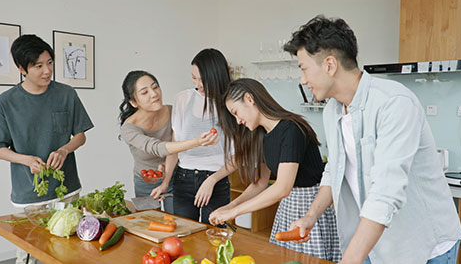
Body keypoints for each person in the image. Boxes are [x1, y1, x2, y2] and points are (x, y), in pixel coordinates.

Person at [283, 15, 461, 264]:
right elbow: (334, 170)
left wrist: (349, 259)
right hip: (373, 242)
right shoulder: (332, 111)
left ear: (329, 65)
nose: (303, 80)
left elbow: (385, 194)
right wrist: (310, 217)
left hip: (423, 246)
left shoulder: (393, 103)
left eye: (303, 68)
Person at [0, 34, 93, 264]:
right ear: (22, 68)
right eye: (39, 66)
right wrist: (26, 160)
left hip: (68, 190)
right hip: (29, 196)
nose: (47, 71)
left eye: (50, 63)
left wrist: (64, 150)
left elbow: (80, 136)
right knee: (30, 253)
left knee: (70, 250)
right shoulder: (6, 102)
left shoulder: (66, 94)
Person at [208, 78, 341, 262]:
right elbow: (260, 184)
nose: (238, 121)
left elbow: (282, 188)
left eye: (236, 112)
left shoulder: (291, 129)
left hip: (310, 208)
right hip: (287, 208)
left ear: (249, 99)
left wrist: (233, 213)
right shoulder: (262, 135)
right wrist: (231, 206)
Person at [118, 70, 218, 213]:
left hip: (175, 176)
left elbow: (175, 148)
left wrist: (166, 180)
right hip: (146, 182)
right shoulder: (129, 128)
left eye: (155, 87)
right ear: (133, 102)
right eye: (144, 92)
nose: (154, 94)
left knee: (176, 221)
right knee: (149, 222)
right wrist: (197, 141)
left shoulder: (173, 111)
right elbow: (157, 147)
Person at [154, 48, 233, 224]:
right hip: (183, 179)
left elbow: (237, 156)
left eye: (203, 79)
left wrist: (211, 180)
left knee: (213, 237)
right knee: (183, 234)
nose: (198, 84)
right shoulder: (183, 99)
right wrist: (166, 181)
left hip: (217, 180)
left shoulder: (230, 103)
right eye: (194, 78)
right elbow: (176, 145)